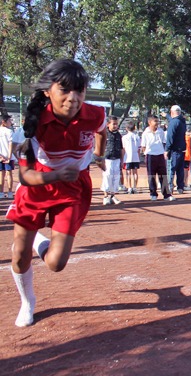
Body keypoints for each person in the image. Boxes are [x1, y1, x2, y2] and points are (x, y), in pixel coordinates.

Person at [6, 59, 107, 327]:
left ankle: (38, 241)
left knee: (56, 263)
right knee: (19, 256)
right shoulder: (34, 122)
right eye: (64, 90)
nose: (73, 99)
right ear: (48, 91)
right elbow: (24, 177)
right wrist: (55, 175)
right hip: (37, 187)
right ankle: (28, 302)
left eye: (80, 91)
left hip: (73, 189)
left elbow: (102, 130)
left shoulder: (94, 113)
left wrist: (98, 155)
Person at [141, 115, 175, 201]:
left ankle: (166, 195)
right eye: (155, 121)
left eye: (158, 121)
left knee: (163, 175)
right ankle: (153, 194)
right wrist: (146, 153)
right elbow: (143, 146)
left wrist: (164, 152)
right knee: (151, 176)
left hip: (160, 155)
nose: (157, 123)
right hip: (150, 156)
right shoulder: (145, 133)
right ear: (149, 122)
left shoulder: (161, 131)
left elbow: (164, 142)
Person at [101, 116, 124, 205]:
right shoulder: (105, 134)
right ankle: (106, 196)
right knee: (107, 176)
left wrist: (122, 160)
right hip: (107, 159)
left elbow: (121, 148)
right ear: (108, 124)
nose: (115, 126)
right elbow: (101, 148)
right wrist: (101, 160)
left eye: (116, 124)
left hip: (117, 158)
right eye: (113, 124)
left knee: (115, 177)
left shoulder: (118, 135)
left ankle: (113, 195)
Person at [165, 105, 186, 194]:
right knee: (180, 169)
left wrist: (167, 149)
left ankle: (170, 186)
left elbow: (170, 137)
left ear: (172, 112)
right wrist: (166, 116)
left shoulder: (173, 123)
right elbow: (174, 120)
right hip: (182, 149)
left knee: (171, 169)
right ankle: (180, 187)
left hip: (174, 150)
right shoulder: (182, 121)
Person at [122, 121, 141, 194]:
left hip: (127, 157)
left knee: (128, 172)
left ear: (126, 128)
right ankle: (135, 187)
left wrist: (122, 157)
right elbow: (139, 148)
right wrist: (138, 157)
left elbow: (123, 148)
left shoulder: (124, 137)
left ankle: (130, 187)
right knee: (135, 172)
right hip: (135, 156)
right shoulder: (137, 137)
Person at [0, 114, 16, 199]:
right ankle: (10, 192)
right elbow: (11, 145)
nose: (11, 122)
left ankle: (1, 193)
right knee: (8, 174)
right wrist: (9, 157)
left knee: (1, 174)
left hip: (1, 156)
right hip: (8, 156)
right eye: (9, 121)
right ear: (4, 122)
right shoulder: (9, 131)